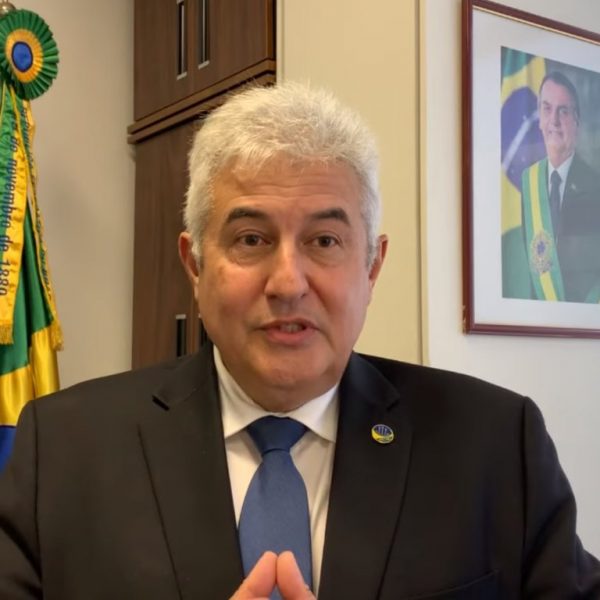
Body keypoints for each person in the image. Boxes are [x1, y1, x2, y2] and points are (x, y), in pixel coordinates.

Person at [0, 83, 599, 599]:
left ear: (372, 266)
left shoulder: (496, 443)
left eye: (325, 241)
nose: (288, 283)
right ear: (195, 266)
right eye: (251, 239)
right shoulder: (62, 449)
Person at [503, 71, 600, 303]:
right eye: (547, 109)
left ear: (576, 121)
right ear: (539, 119)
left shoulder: (594, 185)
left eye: (563, 111)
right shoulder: (529, 181)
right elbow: (534, 268)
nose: (554, 121)